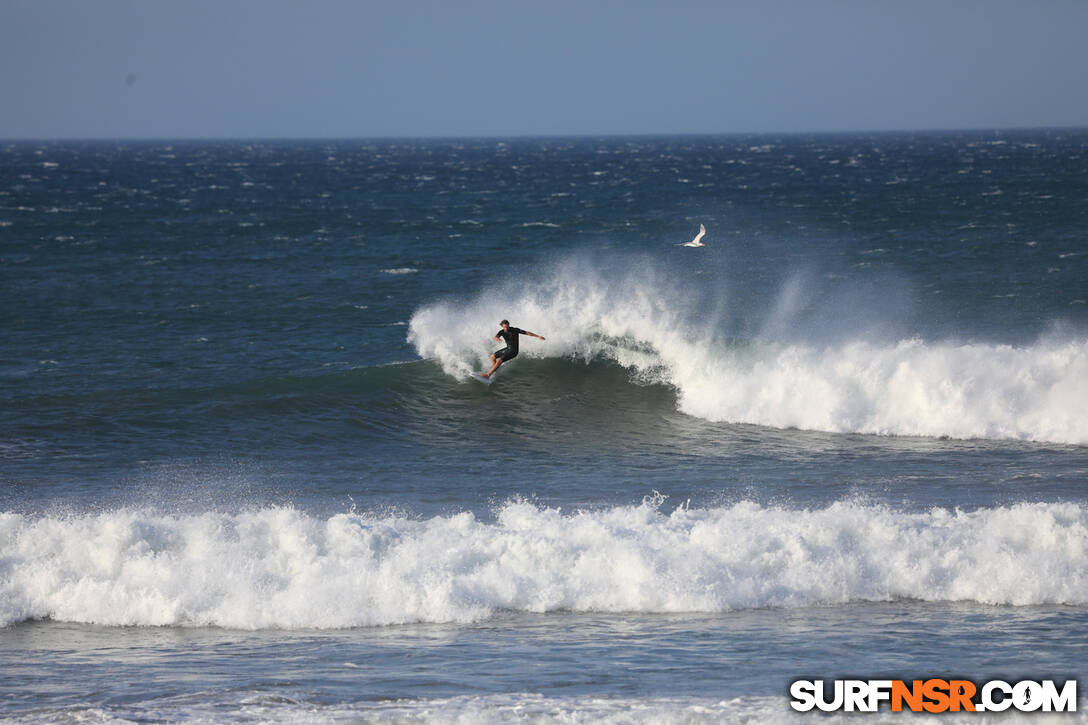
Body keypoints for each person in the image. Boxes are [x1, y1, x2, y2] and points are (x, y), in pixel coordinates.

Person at [480, 319, 545, 378]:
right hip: (508, 349)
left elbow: (527, 333)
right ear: (502, 326)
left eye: (507, 326)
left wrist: (538, 336)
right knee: (492, 357)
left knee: (499, 360)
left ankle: (488, 375)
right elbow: (496, 337)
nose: (506, 328)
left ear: (509, 325)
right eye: (505, 327)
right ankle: (494, 371)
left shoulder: (515, 330)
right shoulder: (501, 332)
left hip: (514, 351)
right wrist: (497, 338)